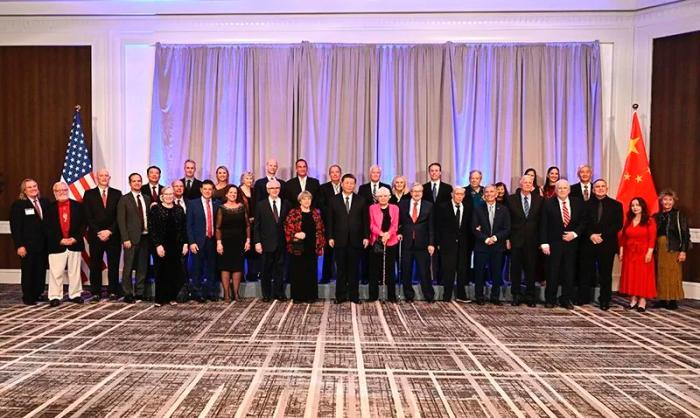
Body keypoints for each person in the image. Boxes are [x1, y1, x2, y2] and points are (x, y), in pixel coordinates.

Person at [540, 179, 586, 309]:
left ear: (569, 190)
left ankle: (566, 299)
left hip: (571, 244)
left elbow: (583, 221)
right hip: (553, 244)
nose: (562, 190)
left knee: (569, 273)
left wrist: (575, 233)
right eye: (559, 188)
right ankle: (550, 299)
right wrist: (544, 243)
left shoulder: (578, 203)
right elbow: (543, 224)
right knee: (552, 273)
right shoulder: (548, 203)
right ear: (555, 190)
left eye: (565, 188)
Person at [578, 179, 623, 310]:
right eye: (597, 186)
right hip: (588, 242)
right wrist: (591, 235)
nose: (600, 188)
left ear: (607, 189)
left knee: (605, 274)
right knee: (585, 272)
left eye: (603, 186)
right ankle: (583, 297)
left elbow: (618, 224)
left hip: (607, 244)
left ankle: (604, 300)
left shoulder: (616, 205)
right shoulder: (585, 204)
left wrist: (601, 236)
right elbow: (582, 223)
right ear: (593, 189)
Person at [327, 174, 369, 304]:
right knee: (340, 270)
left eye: (352, 183)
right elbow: (330, 220)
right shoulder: (333, 200)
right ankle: (340, 296)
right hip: (339, 240)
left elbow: (365, 221)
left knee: (354, 270)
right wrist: (330, 237)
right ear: (342, 184)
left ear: (354, 185)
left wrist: (366, 237)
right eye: (347, 183)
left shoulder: (361, 200)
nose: (349, 185)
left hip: (356, 240)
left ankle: (354, 296)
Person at [44, 182, 86, 306]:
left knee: (75, 272)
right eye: (59, 190)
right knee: (56, 272)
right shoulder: (49, 208)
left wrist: (75, 238)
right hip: (56, 245)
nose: (62, 192)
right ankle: (55, 296)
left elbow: (83, 225)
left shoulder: (78, 206)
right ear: (54, 192)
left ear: (68, 190)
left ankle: (75, 294)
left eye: (64, 189)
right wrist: (59, 239)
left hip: (74, 244)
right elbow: (46, 227)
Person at [83, 169, 122, 301]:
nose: (104, 178)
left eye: (106, 176)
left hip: (113, 236)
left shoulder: (117, 193)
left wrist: (109, 231)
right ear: (96, 178)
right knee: (95, 265)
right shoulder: (89, 194)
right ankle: (96, 292)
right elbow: (88, 216)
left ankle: (113, 291)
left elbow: (119, 216)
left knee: (113, 265)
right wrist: (99, 231)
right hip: (96, 236)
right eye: (101, 176)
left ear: (109, 178)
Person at [9, 179, 49, 305]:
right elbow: (15, 228)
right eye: (29, 187)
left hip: (43, 245)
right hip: (27, 246)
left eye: (34, 186)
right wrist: (19, 246)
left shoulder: (44, 202)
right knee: (28, 271)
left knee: (40, 270)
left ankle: (38, 293)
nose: (33, 189)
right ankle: (28, 296)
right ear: (24, 191)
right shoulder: (19, 205)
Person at [506, 175, 543, 307]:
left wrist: (542, 241)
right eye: (525, 182)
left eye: (530, 182)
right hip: (516, 239)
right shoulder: (511, 199)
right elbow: (507, 220)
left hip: (533, 240)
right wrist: (507, 239)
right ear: (520, 184)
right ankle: (516, 295)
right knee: (515, 269)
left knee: (531, 269)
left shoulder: (539, 199)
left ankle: (530, 296)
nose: (527, 184)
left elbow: (542, 222)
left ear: (532, 185)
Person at [149, 186, 188, 307]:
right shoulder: (156, 209)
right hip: (161, 245)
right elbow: (152, 228)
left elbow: (183, 228)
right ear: (162, 196)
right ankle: (160, 299)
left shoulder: (179, 209)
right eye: (166, 194)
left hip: (176, 245)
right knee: (161, 271)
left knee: (174, 271)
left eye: (171, 194)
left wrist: (185, 244)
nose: (169, 196)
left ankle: (172, 297)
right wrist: (158, 245)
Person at [472, 185, 511, 305]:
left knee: (496, 273)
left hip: (497, 246)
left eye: (491, 191)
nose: (489, 194)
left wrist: (495, 238)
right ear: (484, 194)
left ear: (496, 194)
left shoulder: (503, 209)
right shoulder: (478, 209)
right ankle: (479, 297)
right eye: (487, 192)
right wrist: (486, 239)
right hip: (481, 246)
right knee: (479, 273)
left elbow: (507, 228)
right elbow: (474, 228)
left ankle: (495, 297)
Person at [284, 190, 325, 303]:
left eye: (309, 199)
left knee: (311, 271)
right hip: (298, 247)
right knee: (298, 271)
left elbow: (321, 229)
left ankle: (310, 296)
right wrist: (295, 234)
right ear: (300, 201)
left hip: (312, 247)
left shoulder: (315, 213)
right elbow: (287, 227)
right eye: (304, 199)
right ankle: (298, 296)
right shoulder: (294, 212)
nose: (307, 201)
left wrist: (321, 244)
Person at [253, 179, 290, 302]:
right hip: (266, 243)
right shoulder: (261, 205)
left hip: (282, 243)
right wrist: (257, 242)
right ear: (267, 190)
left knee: (280, 269)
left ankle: (279, 293)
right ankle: (266, 294)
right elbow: (256, 225)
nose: (275, 190)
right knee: (266, 270)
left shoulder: (286, 203)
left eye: (277, 188)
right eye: (272, 188)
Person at [398, 183, 435, 302]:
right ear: (411, 193)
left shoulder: (429, 205)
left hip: (423, 244)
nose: (417, 193)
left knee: (424, 271)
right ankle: (409, 295)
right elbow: (399, 222)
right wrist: (399, 232)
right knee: (406, 270)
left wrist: (431, 243)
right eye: (414, 191)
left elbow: (431, 226)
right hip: (406, 243)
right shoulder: (402, 204)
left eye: (419, 191)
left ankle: (429, 295)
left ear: (422, 193)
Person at [117, 173, 151, 303]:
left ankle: (139, 292)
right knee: (128, 266)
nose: (137, 183)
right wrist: (125, 238)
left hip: (145, 237)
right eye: (134, 181)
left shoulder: (147, 198)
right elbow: (121, 221)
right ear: (130, 183)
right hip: (131, 239)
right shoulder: (124, 199)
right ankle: (127, 293)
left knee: (142, 266)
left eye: (139, 181)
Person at [654, 189, 691, 309]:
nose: (667, 202)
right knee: (661, 273)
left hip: (673, 248)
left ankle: (673, 300)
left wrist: (683, 251)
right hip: (660, 249)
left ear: (674, 201)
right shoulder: (657, 216)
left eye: (670, 200)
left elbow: (685, 234)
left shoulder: (679, 215)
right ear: (661, 201)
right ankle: (662, 299)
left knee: (673, 273)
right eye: (665, 199)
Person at [618, 197, 657, 312]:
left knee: (642, 276)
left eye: (637, 205)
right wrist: (621, 250)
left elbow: (652, 238)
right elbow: (623, 237)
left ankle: (642, 301)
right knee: (631, 275)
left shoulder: (649, 220)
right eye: (633, 205)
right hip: (629, 252)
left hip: (643, 252)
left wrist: (649, 252)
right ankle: (633, 299)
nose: (635, 207)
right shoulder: (629, 220)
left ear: (642, 206)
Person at [186, 180, 221, 302]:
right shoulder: (192, 204)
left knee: (212, 267)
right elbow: (189, 225)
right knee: (197, 268)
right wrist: (191, 242)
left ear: (213, 191)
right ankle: (197, 292)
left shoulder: (217, 203)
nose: (207, 191)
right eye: (205, 189)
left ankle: (210, 292)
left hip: (212, 240)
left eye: (210, 189)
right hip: (198, 241)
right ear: (201, 190)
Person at [436, 187, 472, 302]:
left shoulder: (468, 207)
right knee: (448, 270)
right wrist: (438, 242)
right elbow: (438, 226)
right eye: (457, 194)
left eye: (462, 194)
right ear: (452, 194)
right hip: (447, 244)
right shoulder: (443, 207)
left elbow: (469, 227)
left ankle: (461, 295)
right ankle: (447, 295)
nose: (459, 196)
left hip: (463, 244)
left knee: (462, 270)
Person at [216, 185, 251, 302]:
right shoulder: (221, 208)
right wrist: (219, 243)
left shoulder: (242, 207)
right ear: (226, 194)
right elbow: (218, 228)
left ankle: (236, 293)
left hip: (239, 241)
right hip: (225, 242)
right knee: (225, 267)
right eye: (230, 192)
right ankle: (226, 294)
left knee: (237, 267)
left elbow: (247, 225)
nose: (233, 194)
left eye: (235, 193)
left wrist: (248, 240)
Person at [368, 187, 399, 302]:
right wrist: (381, 234)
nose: (383, 198)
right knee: (374, 269)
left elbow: (395, 224)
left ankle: (392, 296)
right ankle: (373, 296)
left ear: (389, 197)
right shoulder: (372, 208)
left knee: (390, 269)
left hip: (391, 241)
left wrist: (388, 235)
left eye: (385, 196)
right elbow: (371, 224)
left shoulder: (395, 208)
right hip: (377, 241)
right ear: (377, 197)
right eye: (380, 196)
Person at [317, 164, 342, 283]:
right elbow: (321, 205)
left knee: (342, 253)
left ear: (340, 174)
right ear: (329, 174)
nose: (335, 174)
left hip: (343, 225)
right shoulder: (323, 188)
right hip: (328, 224)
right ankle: (326, 276)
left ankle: (342, 277)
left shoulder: (346, 186)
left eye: (337, 172)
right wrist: (334, 213)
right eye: (332, 172)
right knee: (328, 252)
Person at [238, 171, 259, 283]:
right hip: (242, 226)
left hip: (254, 225)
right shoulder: (238, 191)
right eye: (247, 178)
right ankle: (240, 276)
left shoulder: (254, 191)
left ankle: (252, 275)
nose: (249, 181)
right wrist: (246, 219)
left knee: (253, 252)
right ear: (242, 179)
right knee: (242, 251)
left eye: (251, 178)